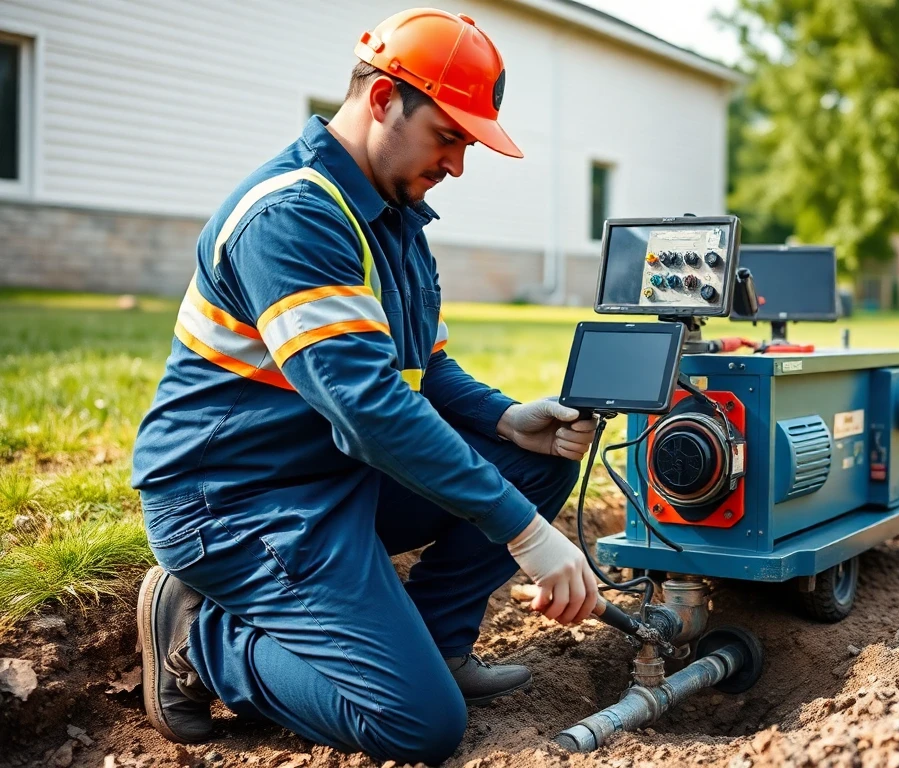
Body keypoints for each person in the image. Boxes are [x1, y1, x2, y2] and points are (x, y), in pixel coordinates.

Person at [129, 9, 599, 763]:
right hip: (237, 502)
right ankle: (197, 634)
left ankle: (434, 647)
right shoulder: (293, 216)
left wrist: (510, 420)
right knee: (418, 726)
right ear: (383, 99)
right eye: (450, 136)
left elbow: (425, 370)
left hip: (330, 477)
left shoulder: (393, 219)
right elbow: (368, 408)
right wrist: (526, 532)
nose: (458, 164)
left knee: (537, 460)